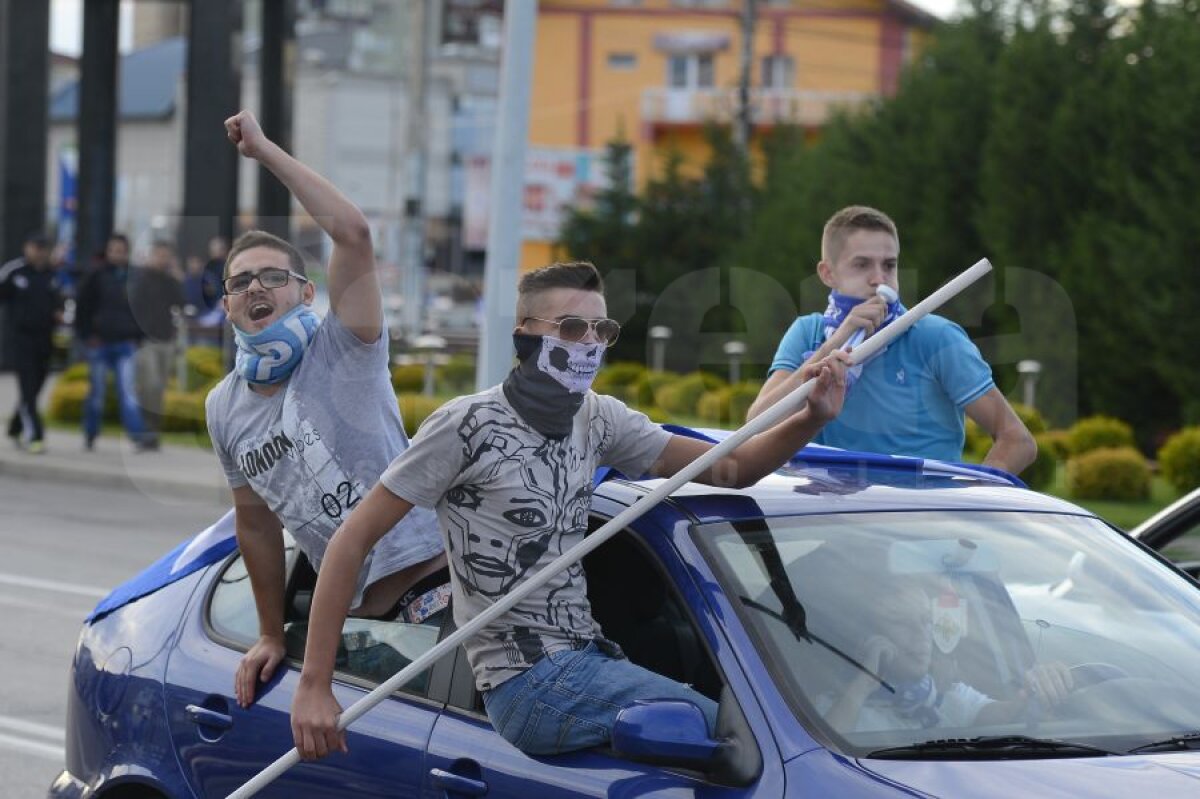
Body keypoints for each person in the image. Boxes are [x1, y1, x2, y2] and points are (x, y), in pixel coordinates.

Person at [289, 260, 851, 761]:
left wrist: (811, 418)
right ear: (525, 335)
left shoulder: (599, 418)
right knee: (741, 743)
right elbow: (351, 541)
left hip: (588, 656)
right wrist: (314, 684)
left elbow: (733, 467)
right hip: (526, 680)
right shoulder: (466, 425)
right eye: (572, 328)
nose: (589, 343)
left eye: (602, 330)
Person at [204, 109, 447, 710]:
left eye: (272, 276)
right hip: (358, 630)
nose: (255, 288)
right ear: (228, 307)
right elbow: (256, 525)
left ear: (306, 293)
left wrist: (264, 151)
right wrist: (267, 632)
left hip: (441, 592)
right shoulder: (223, 406)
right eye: (240, 283)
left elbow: (354, 235)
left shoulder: (346, 347)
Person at [746, 206, 1036, 475]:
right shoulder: (807, 332)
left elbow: (1017, 441)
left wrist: (968, 508)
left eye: (889, 265)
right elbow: (754, 428)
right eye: (862, 265)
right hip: (824, 518)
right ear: (827, 273)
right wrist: (834, 343)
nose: (879, 279)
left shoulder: (936, 337)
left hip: (915, 521)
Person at [822, 582, 1073, 732]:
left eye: (926, 621)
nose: (921, 634)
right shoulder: (834, 707)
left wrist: (1036, 688)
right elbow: (822, 759)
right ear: (868, 638)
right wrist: (861, 686)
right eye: (900, 623)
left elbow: (1003, 716)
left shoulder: (940, 694)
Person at [74, 232, 151, 451]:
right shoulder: (96, 276)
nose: (118, 255)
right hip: (99, 343)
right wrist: (87, 336)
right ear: (108, 252)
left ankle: (137, 436)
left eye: (122, 251)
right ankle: (90, 434)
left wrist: (139, 337)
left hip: (126, 343)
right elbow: (83, 308)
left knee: (128, 392)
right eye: (114, 250)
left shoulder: (136, 277)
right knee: (96, 393)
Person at [0, 233, 63, 453]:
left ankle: (15, 427)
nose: (39, 252)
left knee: (35, 387)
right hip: (20, 340)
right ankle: (35, 435)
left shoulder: (50, 275)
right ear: (26, 247)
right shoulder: (14, 271)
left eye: (42, 248)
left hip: (44, 340)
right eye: (35, 247)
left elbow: (57, 303)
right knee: (27, 387)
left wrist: (58, 314)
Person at [130, 240, 186, 449]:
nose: (163, 259)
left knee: (159, 389)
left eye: (166, 255)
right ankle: (144, 429)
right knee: (149, 385)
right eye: (159, 255)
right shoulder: (141, 278)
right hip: (146, 340)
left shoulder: (169, 280)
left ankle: (153, 433)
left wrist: (178, 279)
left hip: (166, 340)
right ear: (152, 255)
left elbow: (181, 303)